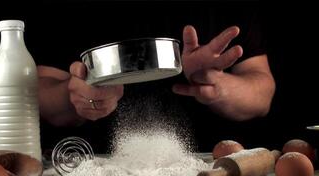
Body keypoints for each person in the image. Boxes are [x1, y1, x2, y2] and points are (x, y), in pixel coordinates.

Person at [35, 1, 275, 152]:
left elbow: (262, 94)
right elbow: (37, 92)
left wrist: (218, 86)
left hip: (214, 170)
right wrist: (77, 96)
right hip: (90, 170)